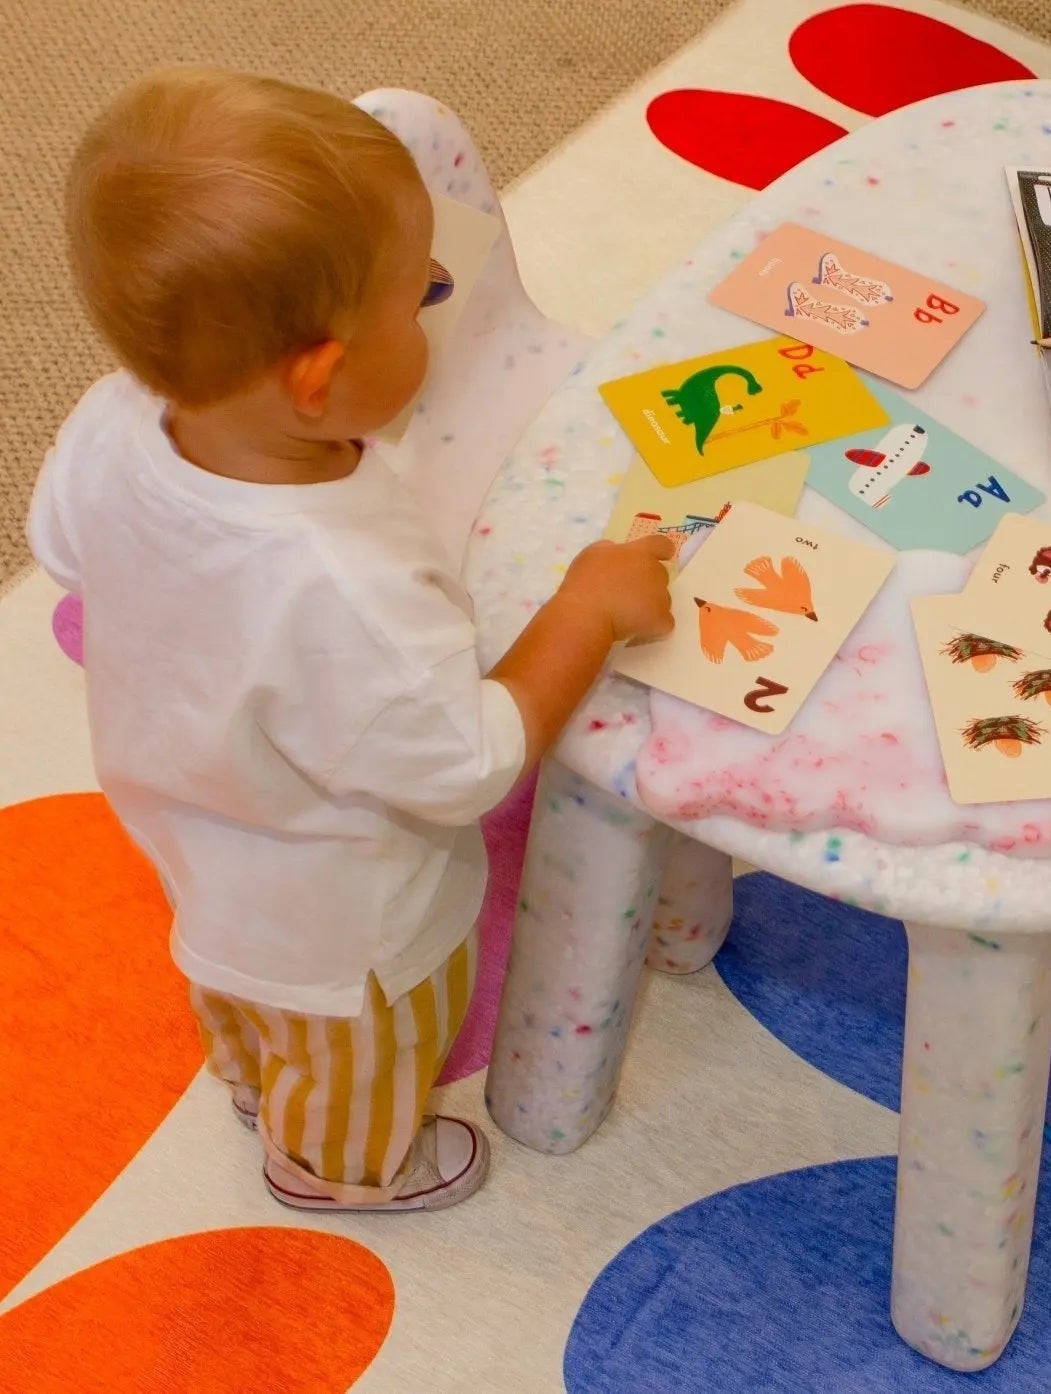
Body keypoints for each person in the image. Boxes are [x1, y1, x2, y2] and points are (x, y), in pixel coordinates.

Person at [27, 68, 677, 1211]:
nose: (438, 301)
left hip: (190, 824)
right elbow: (466, 764)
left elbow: (68, 553)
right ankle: (340, 1166)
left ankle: (256, 1080)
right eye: (417, 296)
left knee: (248, 996)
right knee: (363, 1055)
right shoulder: (348, 585)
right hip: (350, 917)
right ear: (321, 377)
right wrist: (585, 606)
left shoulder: (112, 418)